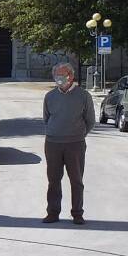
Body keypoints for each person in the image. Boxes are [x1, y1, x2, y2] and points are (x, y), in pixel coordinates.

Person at [42, 62, 95, 225]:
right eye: (56, 75)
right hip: (53, 143)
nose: (59, 78)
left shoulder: (83, 95)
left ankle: (77, 213)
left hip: (75, 143)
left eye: (62, 75)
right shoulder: (50, 96)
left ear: (71, 76)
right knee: (53, 180)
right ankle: (53, 212)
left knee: (76, 180)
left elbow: (90, 120)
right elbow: (47, 118)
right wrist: (54, 131)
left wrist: (78, 134)